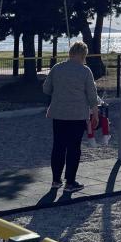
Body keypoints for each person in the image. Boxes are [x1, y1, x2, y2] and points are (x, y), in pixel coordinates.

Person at [43, 41, 98, 191]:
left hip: (58, 114)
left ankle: (56, 180)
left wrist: (60, 91)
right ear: (83, 55)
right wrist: (95, 113)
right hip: (77, 115)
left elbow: (46, 89)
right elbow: (92, 95)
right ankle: (70, 182)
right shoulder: (85, 71)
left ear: (70, 53)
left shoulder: (57, 68)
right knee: (74, 148)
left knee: (58, 146)